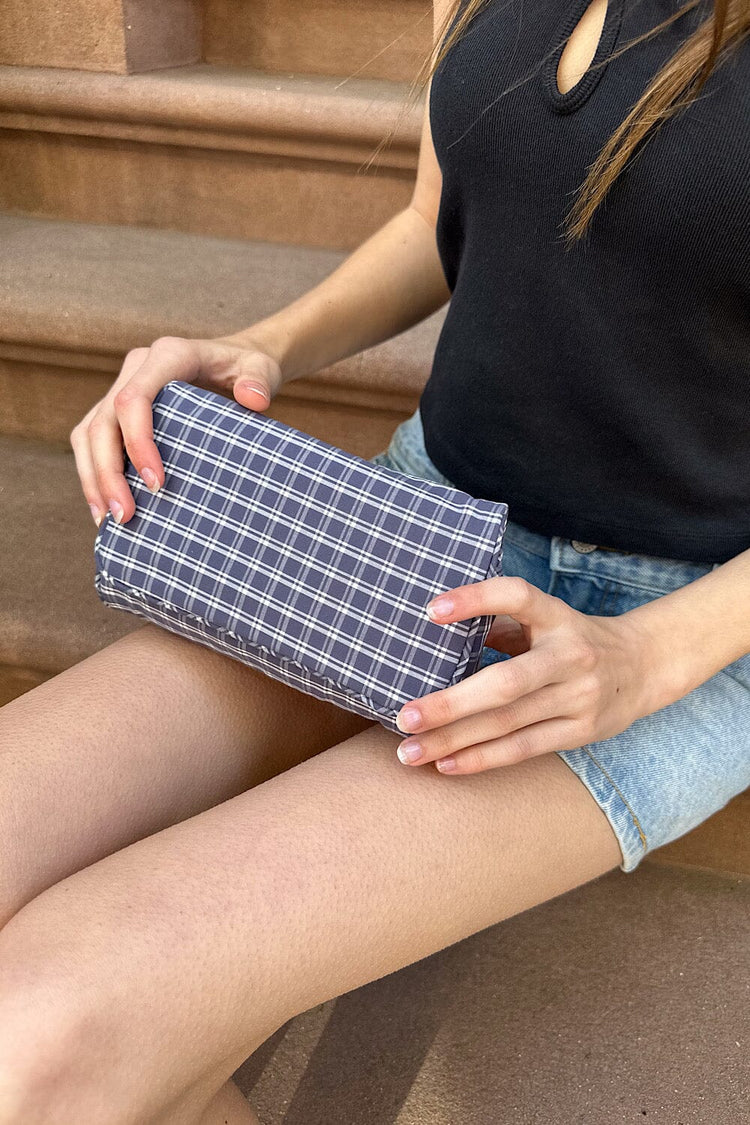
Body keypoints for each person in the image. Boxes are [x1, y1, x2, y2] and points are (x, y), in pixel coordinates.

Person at [1, 0, 748, 1121]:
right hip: (413, 520)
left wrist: (645, 658)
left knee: (47, 1034)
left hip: (684, 617)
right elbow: (439, 219)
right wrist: (268, 344)